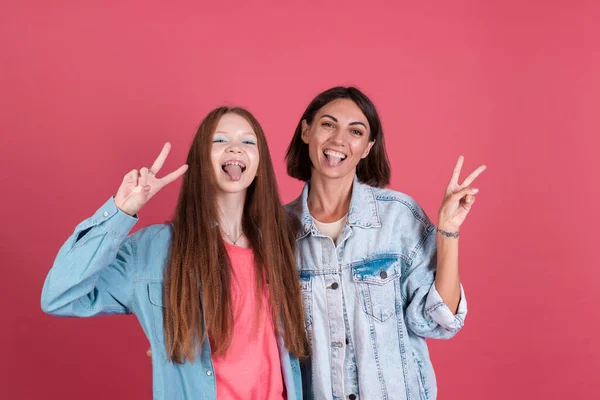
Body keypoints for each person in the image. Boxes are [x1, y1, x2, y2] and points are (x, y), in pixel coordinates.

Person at [41, 106, 307, 399]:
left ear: (260, 162)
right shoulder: (153, 250)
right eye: (219, 141)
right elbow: (60, 296)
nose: (235, 148)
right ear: (200, 159)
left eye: (248, 141)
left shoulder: (285, 243)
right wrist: (121, 210)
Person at [285, 86, 486, 400]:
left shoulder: (398, 217)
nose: (339, 139)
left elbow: (439, 319)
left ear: (367, 147)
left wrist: (447, 231)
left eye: (355, 131)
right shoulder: (278, 231)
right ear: (306, 130)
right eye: (328, 124)